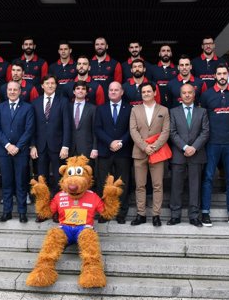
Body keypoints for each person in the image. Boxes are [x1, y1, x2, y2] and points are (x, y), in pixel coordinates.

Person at [199, 64, 229, 227]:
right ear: (215, 76)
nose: (222, 76)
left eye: (225, 73)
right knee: (208, 177)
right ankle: (205, 212)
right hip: (212, 143)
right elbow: (202, 118)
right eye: (219, 74)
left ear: (228, 74)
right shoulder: (206, 95)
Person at [0, 81, 35, 223]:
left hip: (20, 151)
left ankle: (22, 212)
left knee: (21, 182)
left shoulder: (28, 108)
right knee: (6, 182)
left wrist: (18, 146)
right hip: (4, 151)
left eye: (14, 89)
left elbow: (29, 129)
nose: (12, 92)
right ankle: (7, 212)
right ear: (6, 92)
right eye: (9, 89)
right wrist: (7, 145)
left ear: (20, 91)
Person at [129, 82, 170, 227]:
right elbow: (133, 130)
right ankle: (141, 214)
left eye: (148, 91)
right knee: (140, 185)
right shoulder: (135, 110)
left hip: (157, 152)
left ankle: (156, 215)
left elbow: (166, 131)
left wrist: (154, 146)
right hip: (140, 152)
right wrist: (145, 147)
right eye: (143, 92)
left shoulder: (163, 110)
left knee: (157, 185)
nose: (146, 94)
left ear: (154, 92)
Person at [168, 84, 209, 227]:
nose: (187, 95)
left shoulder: (202, 111)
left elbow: (205, 132)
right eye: (184, 93)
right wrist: (185, 147)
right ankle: (175, 215)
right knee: (176, 186)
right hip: (179, 154)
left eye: (189, 92)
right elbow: (172, 132)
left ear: (194, 94)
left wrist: (194, 148)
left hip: (196, 154)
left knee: (195, 186)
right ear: (180, 95)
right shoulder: (173, 112)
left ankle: (194, 216)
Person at [94, 81, 132, 224]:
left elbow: (131, 129)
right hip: (105, 150)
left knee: (122, 183)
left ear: (122, 92)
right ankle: (104, 212)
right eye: (111, 90)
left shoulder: (129, 108)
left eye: (116, 90)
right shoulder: (101, 109)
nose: (113, 92)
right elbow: (97, 128)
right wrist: (110, 142)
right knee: (104, 183)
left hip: (123, 151)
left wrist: (120, 142)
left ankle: (121, 213)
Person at [31, 75, 71, 199]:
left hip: (58, 147)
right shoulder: (35, 102)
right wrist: (32, 145)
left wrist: (65, 146)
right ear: (42, 86)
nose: (50, 85)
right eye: (47, 83)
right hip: (40, 147)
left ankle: (58, 207)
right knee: (42, 178)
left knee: (59, 179)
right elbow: (31, 126)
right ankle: (43, 208)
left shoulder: (63, 101)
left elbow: (67, 125)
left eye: (53, 83)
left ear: (56, 85)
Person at [67, 81, 98, 163]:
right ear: (74, 91)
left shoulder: (93, 108)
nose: (80, 91)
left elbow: (95, 130)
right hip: (69, 148)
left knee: (86, 174)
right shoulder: (67, 107)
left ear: (86, 92)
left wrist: (95, 148)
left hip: (87, 149)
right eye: (78, 88)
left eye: (83, 89)